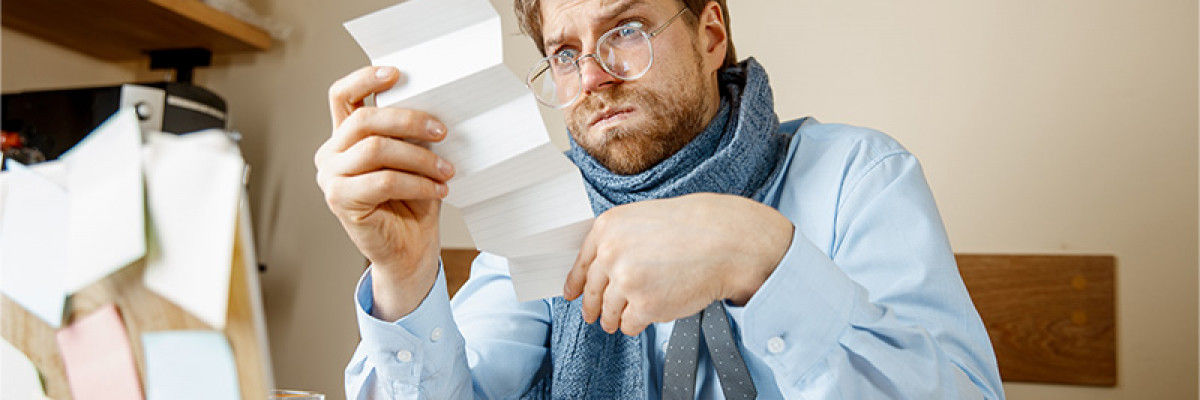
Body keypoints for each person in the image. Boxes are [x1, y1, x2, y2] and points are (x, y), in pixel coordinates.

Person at [315, 0, 1005, 398]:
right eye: (563, 54)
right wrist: (403, 277)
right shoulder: (543, 214)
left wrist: (759, 253)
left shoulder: (859, 176)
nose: (592, 78)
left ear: (711, 35)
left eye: (626, 32)